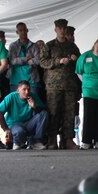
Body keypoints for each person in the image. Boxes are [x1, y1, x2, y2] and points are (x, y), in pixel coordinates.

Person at [39, 18, 80, 149]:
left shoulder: (72, 46)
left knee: (69, 112)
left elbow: (79, 63)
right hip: (53, 85)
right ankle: (52, 139)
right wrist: (58, 61)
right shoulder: (49, 45)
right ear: (55, 30)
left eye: (64, 28)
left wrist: (75, 59)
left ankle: (67, 139)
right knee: (53, 112)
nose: (62, 30)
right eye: (60, 28)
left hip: (70, 85)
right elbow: (43, 62)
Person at [0, 80, 48, 150]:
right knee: (19, 131)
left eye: (28, 89)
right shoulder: (11, 97)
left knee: (44, 114)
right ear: (18, 90)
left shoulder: (33, 96)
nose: (27, 92)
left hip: (28, 124)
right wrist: (5, 128)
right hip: (15, 125)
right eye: (24, 89)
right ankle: (17, 142)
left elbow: (43, 112)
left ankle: (36, 142)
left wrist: (35, 107)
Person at [8, 23, 41, 96]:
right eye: (20, 30)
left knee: (33, 103)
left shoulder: (34, 46)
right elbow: (12, 61)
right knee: (15, 103)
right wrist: (27, 58)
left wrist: (21, 61)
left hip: (32, 80)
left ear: (27, 30)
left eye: (24, 30)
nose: (23, 32)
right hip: (15, 80)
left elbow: (38, 60)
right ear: (17, 32)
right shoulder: (13, 46)